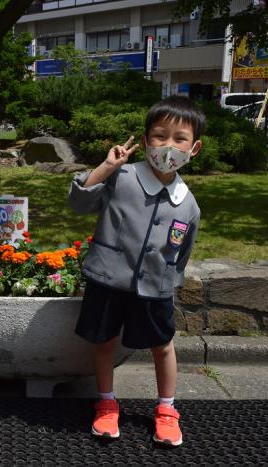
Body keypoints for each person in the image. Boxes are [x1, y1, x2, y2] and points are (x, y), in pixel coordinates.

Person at [68, 96, 203, 447]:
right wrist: (106, 167)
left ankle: (167, 409)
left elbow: (182, 253)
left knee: (162, 345)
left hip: (154, 287)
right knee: (103, 341)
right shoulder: (122, 177)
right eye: (159, 136)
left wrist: (169, 282)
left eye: (179, 139)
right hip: (107, 279)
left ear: (195, 148)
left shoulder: (187, 204)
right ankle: (107, 401)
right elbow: (79, 202)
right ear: (144, 142)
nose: (168, 146)